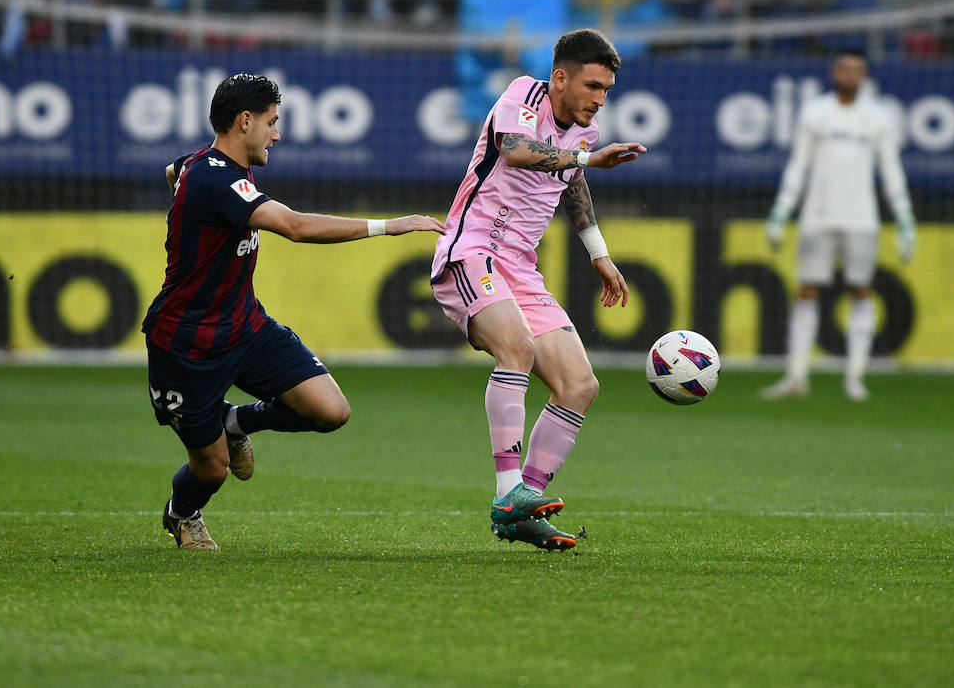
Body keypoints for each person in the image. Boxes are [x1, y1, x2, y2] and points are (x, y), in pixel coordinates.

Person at [145, 72, 443, 550]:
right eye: (272, 122)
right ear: (245, 121)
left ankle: (236, 420)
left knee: (331, 410)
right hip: (186, 344)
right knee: (214, 468)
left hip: (244, 326)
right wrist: (390, 225)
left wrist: (180, 179)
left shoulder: (200, 167)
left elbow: (173, 170)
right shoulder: (214, 177)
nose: (277, 135)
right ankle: (183, 512)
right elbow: (296, 227)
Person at [430, 29, 647, 551]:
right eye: (593, 86)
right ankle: (509, 492)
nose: (599, 99)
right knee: (517, 347)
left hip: (521, 269)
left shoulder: (583, 135)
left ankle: (525, 505)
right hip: (472, 249)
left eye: (608, 91)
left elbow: (572, 183)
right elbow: (517, 151)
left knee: (579, 385)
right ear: (560, 78)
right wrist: (587, 160)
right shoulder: (524, 95)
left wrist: (599, 253)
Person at [761, 51, 915, 403]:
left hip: (862, 218)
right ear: (834, 72)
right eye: (844, 68)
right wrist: (781, 211)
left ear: (865, 76)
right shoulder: (814, 112)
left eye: (857, 70)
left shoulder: (879, 117)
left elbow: (891, 171)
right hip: (818, 216)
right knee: (806, 290)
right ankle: (797, 376)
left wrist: (905, 219)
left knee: (861, 290)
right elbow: (798, 166)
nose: (850, 75)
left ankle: (855, 378)